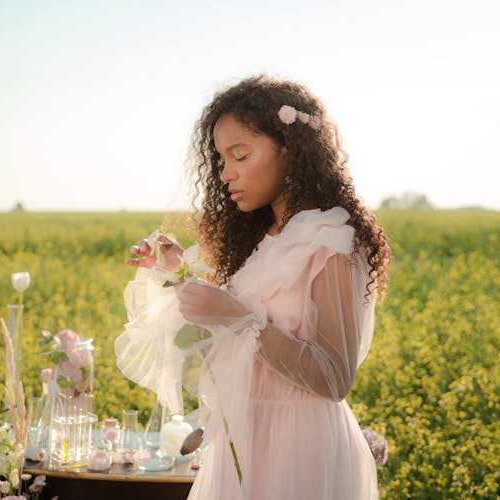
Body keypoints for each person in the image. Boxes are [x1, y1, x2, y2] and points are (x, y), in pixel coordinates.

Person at [117, 75, 390, 500]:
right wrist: (176, 276)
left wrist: (236, 316)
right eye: (221, 159)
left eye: (240, 155)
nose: (226, 174)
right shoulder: (266, 241)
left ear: (289, 149)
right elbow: (230, 344)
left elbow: (334, 379)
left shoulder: (332, 240)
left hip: (301, 448)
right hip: (245, 439)